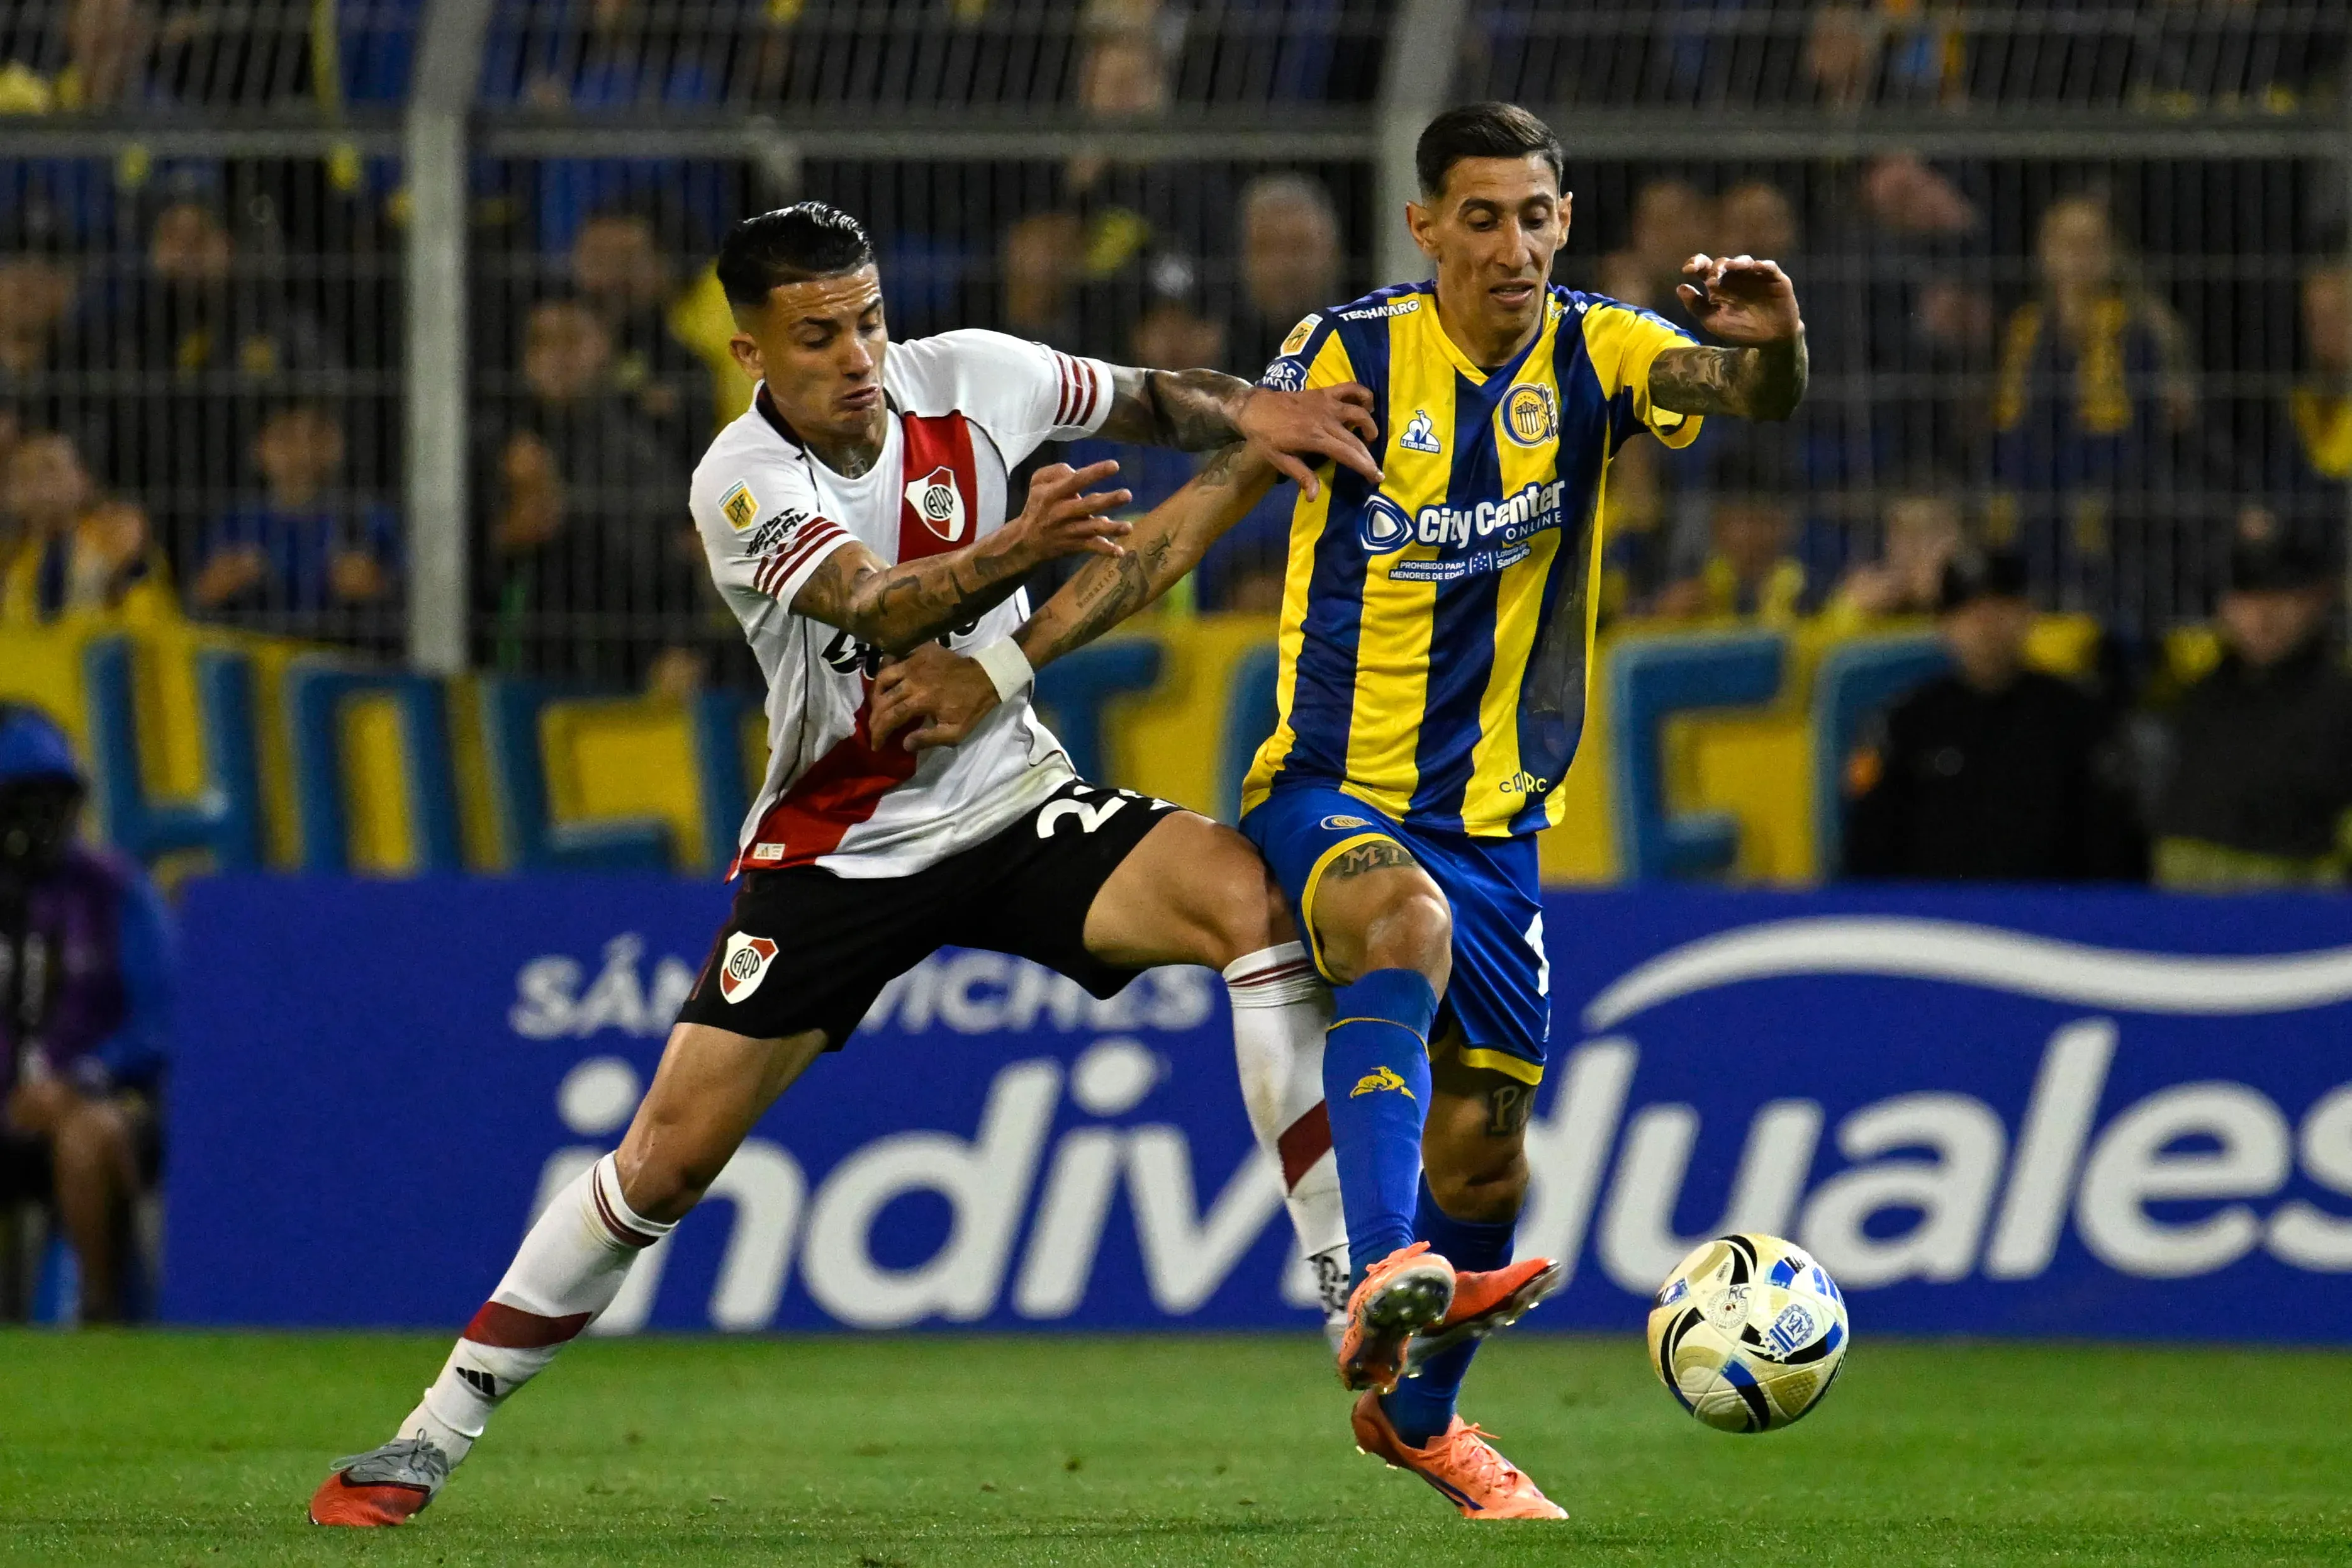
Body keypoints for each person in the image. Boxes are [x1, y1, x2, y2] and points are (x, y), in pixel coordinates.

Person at [308, 200, 1391, 1527]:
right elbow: (879, 604)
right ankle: (434, 1428)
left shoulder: (975, 374)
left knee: (1252, 903)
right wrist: (1017, 550)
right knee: (664, 1163)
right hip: (839, 852)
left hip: (1008, 806)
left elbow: (1155, 401)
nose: (858, 353)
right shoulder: (740, 482)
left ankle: (1346, 1278)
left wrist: (1252, 414)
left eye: (868, 319)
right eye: (817, 334)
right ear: (751, 351)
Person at [867, 101, 1809, 1518]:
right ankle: (1377, 1265)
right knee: (1398, 922)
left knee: (1487, 1147)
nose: (1513, 245)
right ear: (1424, 225)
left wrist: (1775, 341)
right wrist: (1000, 666)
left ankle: (1418, 1416)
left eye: (1536, 215)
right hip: (1332, 792)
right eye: (1479, 218)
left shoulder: (1600, 352)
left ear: (1567, 217)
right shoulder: (1349, 357)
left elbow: (1746, 396)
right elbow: (1187, 525)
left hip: (1498, 823)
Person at [0, 705, 171, 1323]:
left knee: (88, 1137)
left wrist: (82, 1080)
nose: (42, 820)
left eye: (56, 798)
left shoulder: (117, 890)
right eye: (24, 800)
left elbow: (162, 1021)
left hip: (101, 1103)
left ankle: (100, 1316)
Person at [1842, 551, 2146, 882]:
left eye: (2000, 609)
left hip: (2051, 923)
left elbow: (2116, 850)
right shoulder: (1906, 721)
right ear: (1944, 627)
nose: (1986, 627)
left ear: (2029, 615)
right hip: (1932, 924)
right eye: (1970, 613)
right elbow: (1870, 849)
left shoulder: (2078, 718)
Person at [2149, 539, 2352, 888]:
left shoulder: (2340, 701)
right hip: (2184, 912)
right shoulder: (2200, 695)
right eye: (2248, 599)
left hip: (2299, 921)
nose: (2263, 616)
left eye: (2281, 599)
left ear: (2316, 602)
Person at [190, 402, 396, 642]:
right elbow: (190, 604)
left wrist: (378, 588)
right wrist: (213, 587)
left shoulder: (371, 519)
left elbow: (418, 600)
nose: (304, 453)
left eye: (317, 435)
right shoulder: (234, 524)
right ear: (259, 448)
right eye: (286, 438)